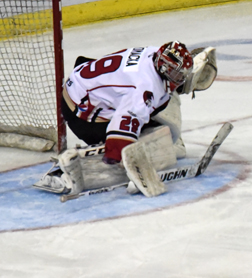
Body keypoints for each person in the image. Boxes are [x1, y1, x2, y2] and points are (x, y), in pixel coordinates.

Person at [34, 41, 218, 195]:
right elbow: (121, 130)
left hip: (84, 83)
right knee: (135, 141)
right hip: (81, 113)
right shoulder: (143, 91)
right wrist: (125, 159)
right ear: (164, 67)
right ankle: (61, 172)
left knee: (162, 102)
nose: (180, 78)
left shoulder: (155, 53)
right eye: (177, 74)